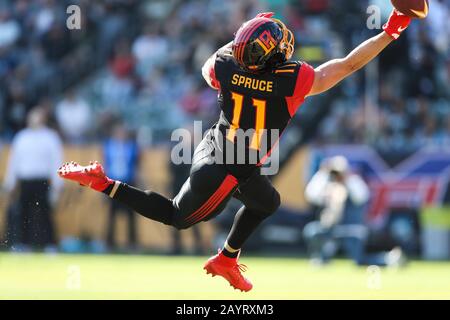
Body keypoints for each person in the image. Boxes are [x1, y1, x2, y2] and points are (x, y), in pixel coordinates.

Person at [59, 10, 415, 291]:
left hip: (216, 146)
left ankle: (227, 258)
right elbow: (348, 64)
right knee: (177, 217)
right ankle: (103, 182)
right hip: (230, 167)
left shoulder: (227, 66)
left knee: (267, 202)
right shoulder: (293, 78)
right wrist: (391, 29)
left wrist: (240, 42)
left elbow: (206, 68)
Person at [303, 156, 404, 266]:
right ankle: (321, 257)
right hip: (330, 230)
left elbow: (361, 197)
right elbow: (311, 195)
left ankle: (389, 259)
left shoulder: (354, 182)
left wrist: (346, 182)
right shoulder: (327, 184)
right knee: (311, 231)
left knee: (359, 261)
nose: (337, 176)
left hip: (351, 230)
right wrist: (322, 174)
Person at [3, 107, 63, 250]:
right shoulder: (21, 137)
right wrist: (9, 183)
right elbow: (14, 162)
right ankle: (23, 244)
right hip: (25, 181)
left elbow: (56, 161)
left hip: (42, 180)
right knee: (23, 213)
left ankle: (50, 244)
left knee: (45, 213)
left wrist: (57, 183)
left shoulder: (50, 137)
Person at [102, 124, 140, 251]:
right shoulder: (108, 146)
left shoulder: (132, 147)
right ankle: (110, 243)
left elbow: (135, 166)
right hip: (113, 182)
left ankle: (132, 243)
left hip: (128, 182)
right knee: (112, 215)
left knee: (131, 215)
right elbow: (106, 165)